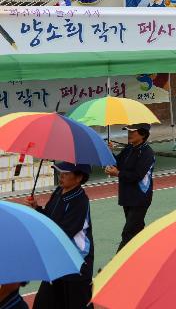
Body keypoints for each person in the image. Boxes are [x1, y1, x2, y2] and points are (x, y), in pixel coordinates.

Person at [25, 162, 94, 309]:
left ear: (79, 178)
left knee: (77, 304)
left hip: (77, 264)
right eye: (60, 172)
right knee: (43, 303)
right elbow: (50, 217)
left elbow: (64, 232)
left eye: (66, 173)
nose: (61, 176)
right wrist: (36, 208)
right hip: (58, 259)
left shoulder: (80, 201)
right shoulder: (58, 192)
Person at [104, 123, 155, 251]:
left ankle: (116, 265)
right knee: (136, 231)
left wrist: (117, 173)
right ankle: (141, 256)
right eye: (128, 131)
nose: (129, 134)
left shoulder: (147, 153)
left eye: (133, 132)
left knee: (129, 232)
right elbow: (117, 163)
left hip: (140, 199)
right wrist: (109, 152)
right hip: (128, 196)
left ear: (142, 134)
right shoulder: (129, 149)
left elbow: (137, 175)